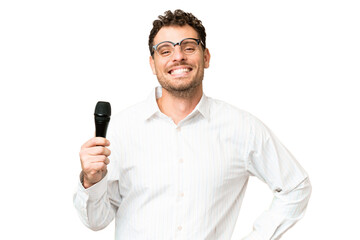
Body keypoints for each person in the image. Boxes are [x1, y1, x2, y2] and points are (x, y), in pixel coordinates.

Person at [73, 9, 311, 240]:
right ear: (153, 64)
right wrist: (91, 181)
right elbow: (96, 221)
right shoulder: (122, 130)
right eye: (165, 50)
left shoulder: (242, 127)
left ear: (205, 57)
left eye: (188, 47)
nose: (178, 56)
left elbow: (295, 186)